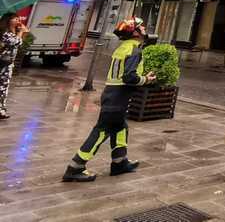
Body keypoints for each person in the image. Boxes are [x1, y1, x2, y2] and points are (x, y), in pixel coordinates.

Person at [63, 17, 157, 182]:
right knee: (101, 131)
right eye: (141, 27)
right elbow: (129, 77)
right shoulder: (135, 50)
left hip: (112, 94)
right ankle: (75, 167)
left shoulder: (124, 47)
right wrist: (146, 80)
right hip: (118, 96)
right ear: (135, 33)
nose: (144, 30)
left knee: (121, 128)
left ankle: (119, 163)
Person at [0, 14, 28, 119]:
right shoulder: (5, 33)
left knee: (3, 87)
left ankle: (1, 109)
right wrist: (21, 32)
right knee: (2, 87)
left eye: (18, 18)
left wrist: (22, 32)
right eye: (14, 18)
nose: (17, 20)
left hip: (7, 63)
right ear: (8, 20)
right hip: (3, 63)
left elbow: (19, 44)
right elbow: (16, 42)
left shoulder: (12, 32)